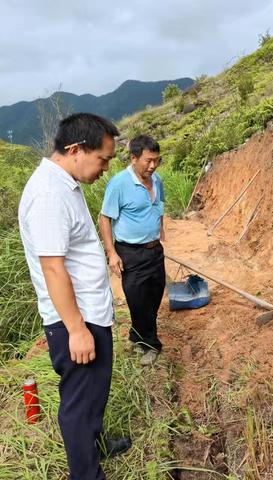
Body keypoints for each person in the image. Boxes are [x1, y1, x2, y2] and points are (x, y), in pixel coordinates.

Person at [18, 113, 131, 480]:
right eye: (103, 159)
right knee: (79, 404)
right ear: (76, 149)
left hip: (89, 315)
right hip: (76, 321)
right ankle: (87, 474)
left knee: (93, 394)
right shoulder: (49, 195)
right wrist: (77, 329)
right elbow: (53, 268)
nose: (105, 168)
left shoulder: (64, 184)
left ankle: (95, 445)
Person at [99, 135, 165, 366]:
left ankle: (137, 334)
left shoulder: (157, 181)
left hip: (155, 251)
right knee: (138, 300)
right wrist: (112, 253)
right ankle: (151, 345)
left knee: (155, 295)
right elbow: (105, 218)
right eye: (148, 161)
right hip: (130, 253)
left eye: (156, 160)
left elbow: (159, 208)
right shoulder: (119, 183)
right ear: (134, 158)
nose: (153, 166)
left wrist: (160, 233)